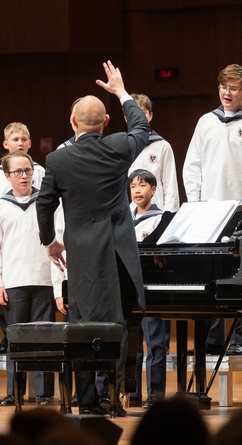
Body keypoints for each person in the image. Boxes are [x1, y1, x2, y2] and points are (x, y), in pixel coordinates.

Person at [37, 60, 151, 415]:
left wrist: (50, 242)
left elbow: (44, 204)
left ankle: (86, 399)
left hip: (83, 254)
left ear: (72, 122)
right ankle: (115, 397)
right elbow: (141, 126)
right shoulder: (118, 147)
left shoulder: (57, 160)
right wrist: (121, 92)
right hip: (118, 253)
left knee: (82, 323)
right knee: (118, 322)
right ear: (106, 122)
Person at [182, 64, 242, 356]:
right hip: (211, 210)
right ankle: (212, 342)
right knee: (213, 274)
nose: (227, 92)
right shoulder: (205, 122)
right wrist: (195, 205)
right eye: (224, 87)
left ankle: (239, 340)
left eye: (233, 88)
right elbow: (192, 166)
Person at [0, 151, 57, 407]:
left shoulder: (46, 203)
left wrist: (58, 283)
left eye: (28, 170)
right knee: (15, 340)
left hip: (43, 279)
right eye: (18, 172)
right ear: (7, 176)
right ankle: (14, 390)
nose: (24, 176)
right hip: (13, 281)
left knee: (44, 338)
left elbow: (58, 240)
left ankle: (44, 392)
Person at [0, 122, 46, 357]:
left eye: (23, 140)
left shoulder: (39, 173)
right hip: (12, 267)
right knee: (14, 332)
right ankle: (6, 343)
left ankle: (42, 382)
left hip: (40, 271)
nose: (19, 143)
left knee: (42, 338)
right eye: (15, 139)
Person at [126, 169, 166, 408]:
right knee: (132, 343)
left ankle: (155, 395)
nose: (137, 191)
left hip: (151, 288)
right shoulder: (124, 218)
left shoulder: (161, 219)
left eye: (142, 186)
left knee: (155, 343)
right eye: (133, 186)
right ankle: (131, 393)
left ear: (153, 189)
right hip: (128, 287)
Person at [128, 94, 180, 213]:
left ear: (150, 116)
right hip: (129, 216)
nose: (139, 118)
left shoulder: (162, 146)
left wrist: (168, 217)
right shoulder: (122, 147)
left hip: (156, 215)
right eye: (133, 114)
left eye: (143, 113)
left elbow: (170, 187)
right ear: (126, 118)